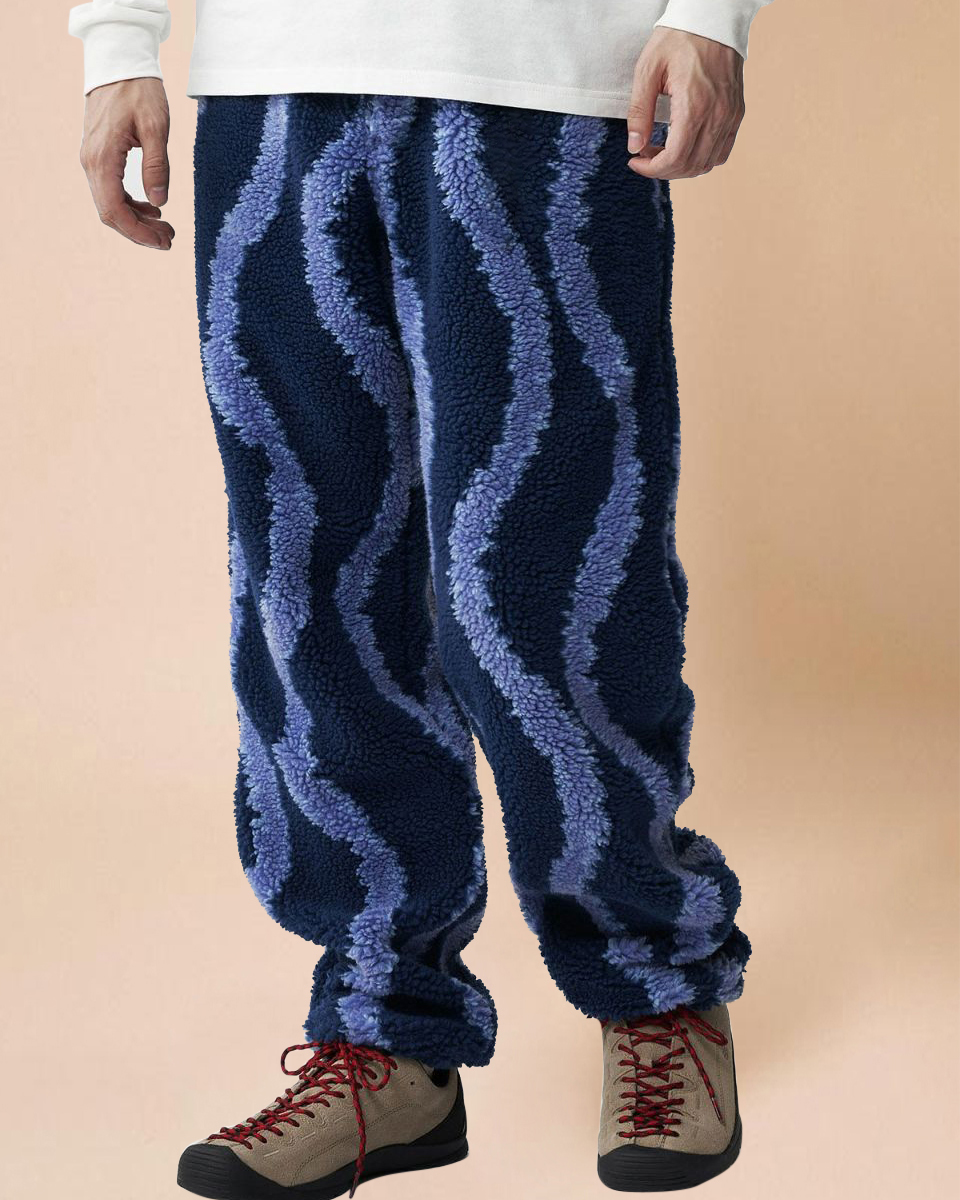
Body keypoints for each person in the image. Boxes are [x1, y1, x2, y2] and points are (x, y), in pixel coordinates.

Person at [69, 1, 772, 1194]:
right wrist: (117, 43)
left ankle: (659, 989)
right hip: (274, 84)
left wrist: (710, 15)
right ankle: (384, 1032)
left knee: (553, 590)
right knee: (311, 588)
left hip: (544, 82)